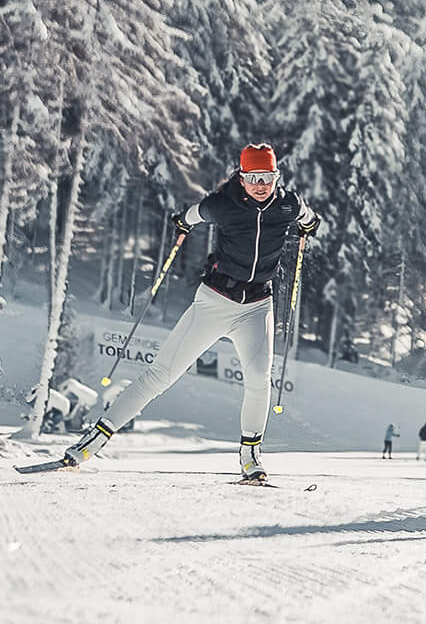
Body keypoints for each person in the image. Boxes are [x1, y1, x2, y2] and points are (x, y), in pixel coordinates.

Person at [61, 145, 318, 484]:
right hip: (215, 302)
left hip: (257, 306)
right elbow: (192, 214)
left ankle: (250, 457)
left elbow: (308, 218)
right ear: (242, 177)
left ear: (276, 177)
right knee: (160, 375)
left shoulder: (288, 204)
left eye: (268, 177)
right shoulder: (223, 204)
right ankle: (93, 441)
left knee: (258, 379)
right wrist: (182, 223)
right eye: (254, 177)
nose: (261, 185)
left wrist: (308, 226)